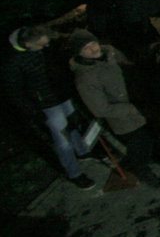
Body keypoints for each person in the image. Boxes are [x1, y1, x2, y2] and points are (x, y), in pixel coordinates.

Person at [1, 26, 100, 189]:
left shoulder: (43, 46)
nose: (46, 47)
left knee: (74, 125)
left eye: (46, 43)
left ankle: (83, 152)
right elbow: (15, 92)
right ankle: (74, 173)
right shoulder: (12, 63)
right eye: (41, 45)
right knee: (63, 140)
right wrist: (32, 111)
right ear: (27, 44)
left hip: (61, 95)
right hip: (46, 104)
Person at [68, 30, 160, 188]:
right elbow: (100, 109)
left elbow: (128, 66)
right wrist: (132, 109)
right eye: (86, 48)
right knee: (139, 146)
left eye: (93, 43)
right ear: (79, 54)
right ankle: (142, 171)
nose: (93, 49)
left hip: (140, 103)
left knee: (152, 137)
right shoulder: (85, 79)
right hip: (126, 119)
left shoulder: (110, 51)